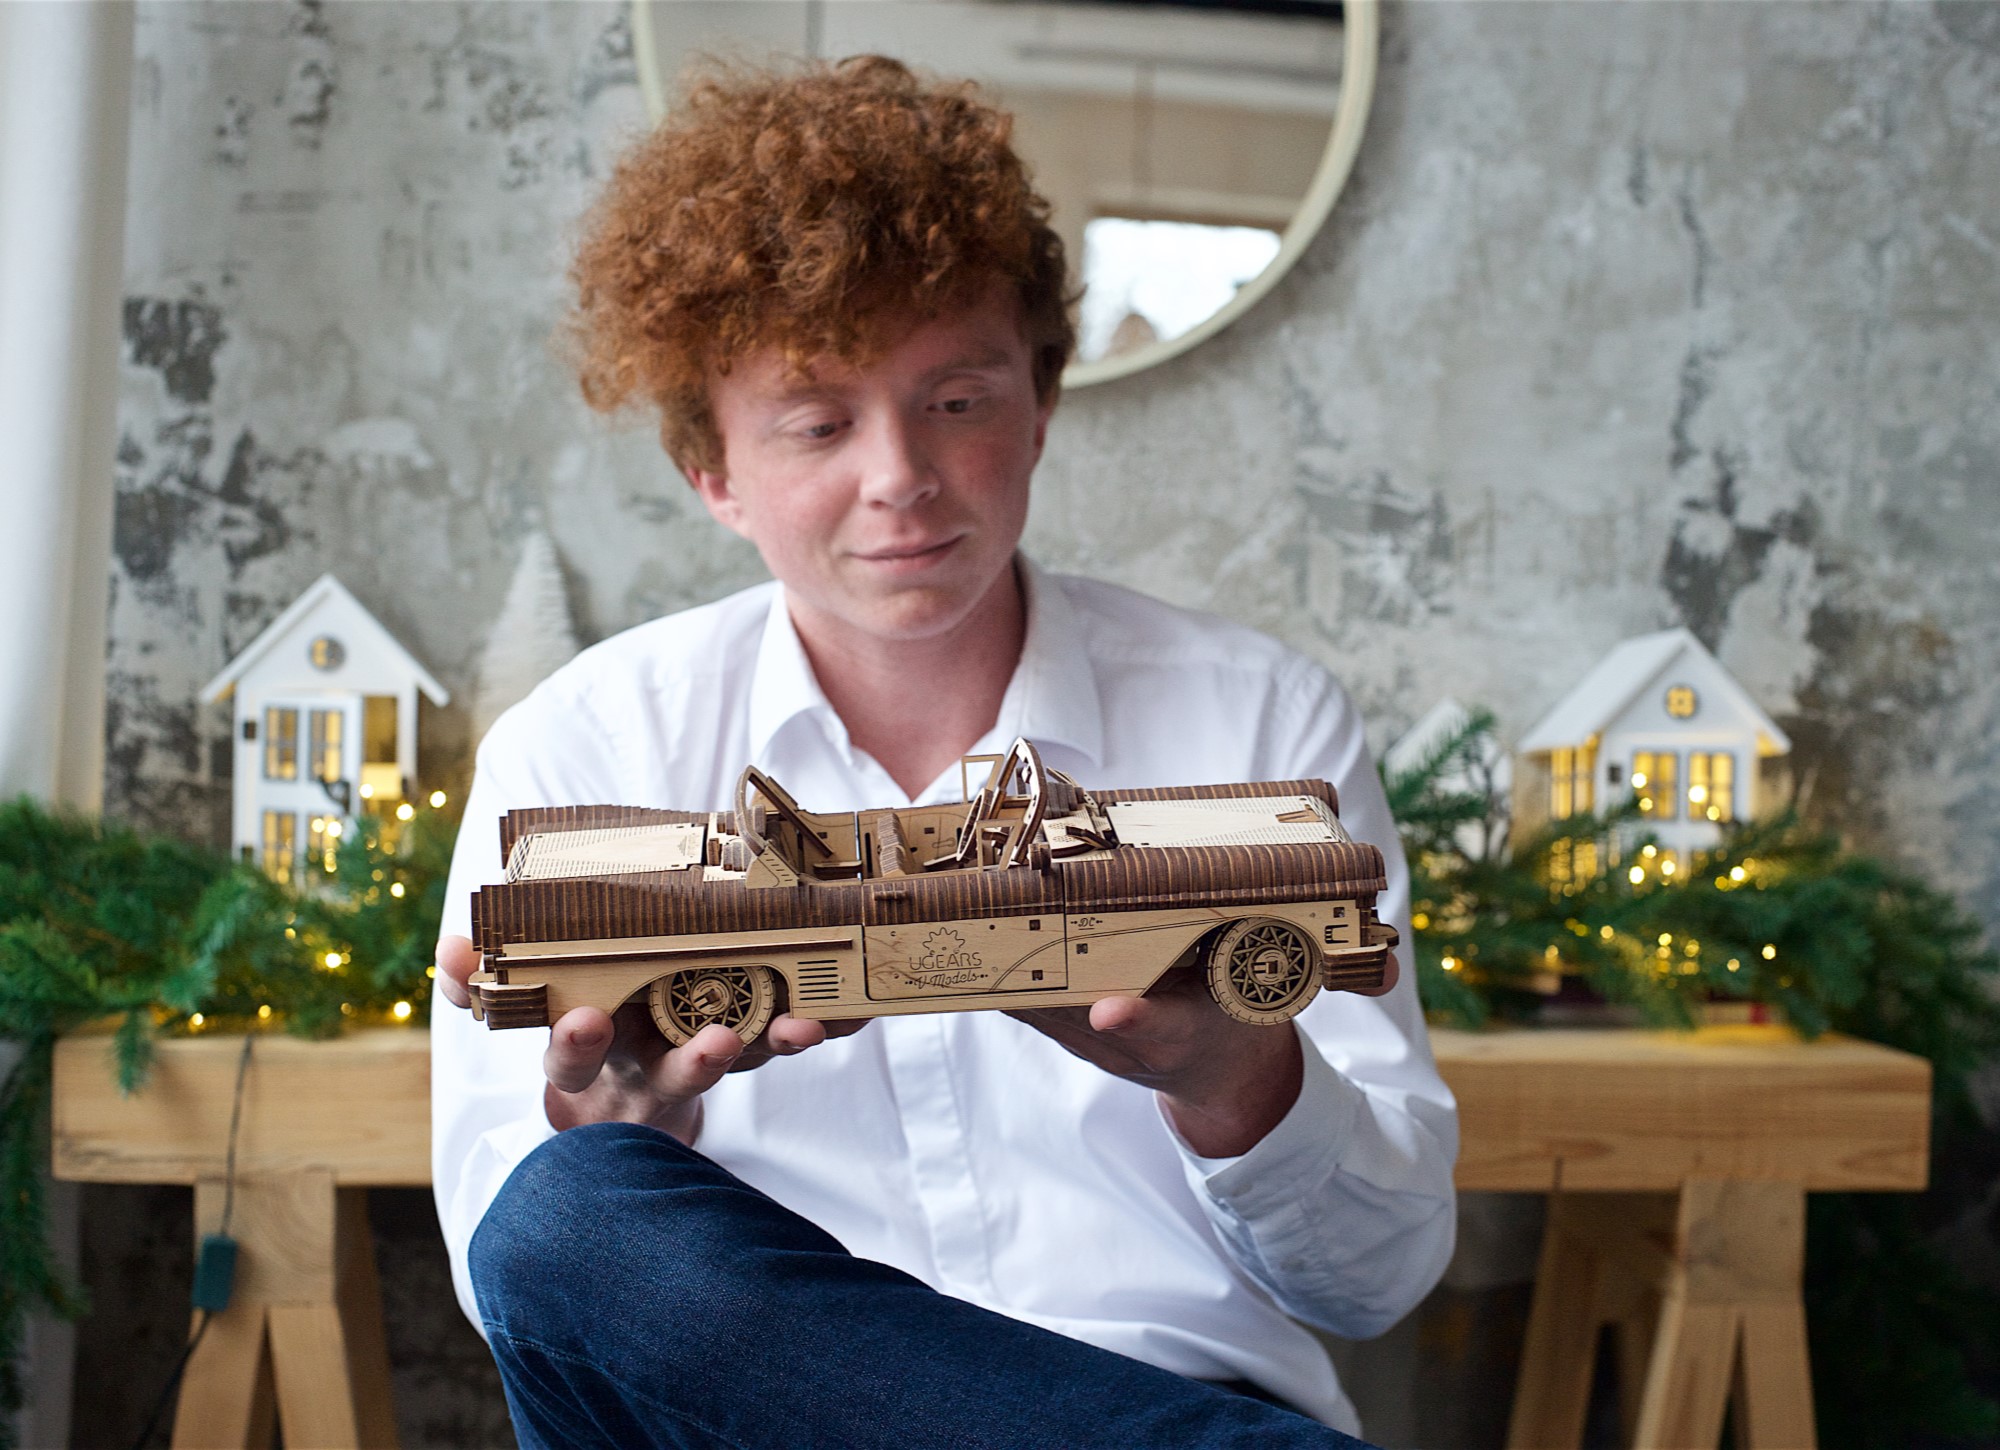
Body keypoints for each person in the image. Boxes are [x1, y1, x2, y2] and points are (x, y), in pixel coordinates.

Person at [431, 56, 1456, 1450]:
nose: (900, 476)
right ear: (712, 472)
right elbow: (532, 1291)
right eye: (818, 422)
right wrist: (620, 1125)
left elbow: (1380, 1282)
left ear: (1041, 402)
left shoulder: (1263, 722)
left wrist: (1240, 1081)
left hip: (1171, 1400)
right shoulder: (580, 746)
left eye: (958, 400)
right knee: (562, 1214)